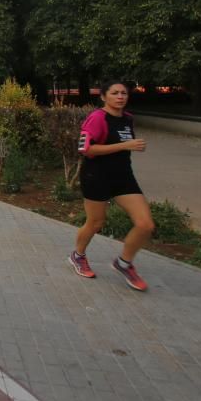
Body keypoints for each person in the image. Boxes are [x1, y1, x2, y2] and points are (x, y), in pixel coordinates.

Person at [68, 80, 155, 291]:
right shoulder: (97, 118)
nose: (120, 97)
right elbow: (85, 149)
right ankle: (78, 256)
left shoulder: (127, 119)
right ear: (104, 96)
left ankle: (124, 263)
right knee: (96, 223)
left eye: (124, 93)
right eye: (114, 93)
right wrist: (125, 145)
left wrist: (126, 147)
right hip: (96, 175)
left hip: (123, 177)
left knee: (146, 225)